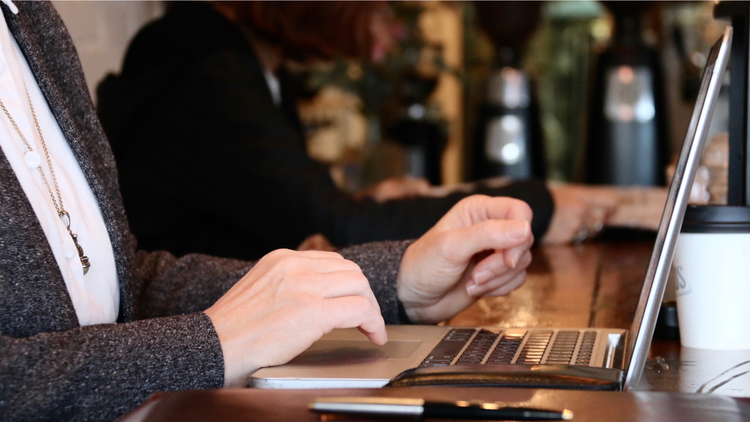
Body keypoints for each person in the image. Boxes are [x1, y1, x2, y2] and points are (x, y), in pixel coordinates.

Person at [0, 2, 534, 421]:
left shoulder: (29, 17)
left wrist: (393, 281)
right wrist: (210, 344)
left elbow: (114, 291)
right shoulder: (200, 57)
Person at [96, 1, 556, 261]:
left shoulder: (258, 68)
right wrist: (541, 201)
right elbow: (337, 225)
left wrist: (362, 202)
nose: (388, 25)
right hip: (185, 352)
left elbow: (291, 216)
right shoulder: (207, 66)